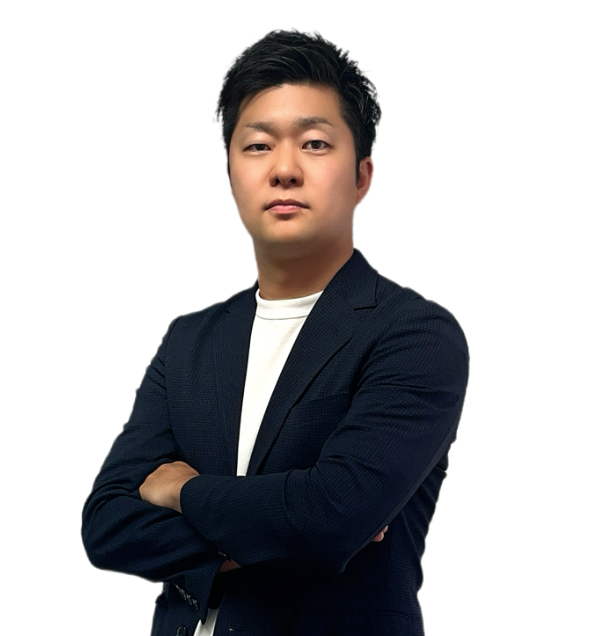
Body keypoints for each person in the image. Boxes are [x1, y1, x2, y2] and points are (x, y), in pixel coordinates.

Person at [82, 30, 469, 636]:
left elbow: (332, 516)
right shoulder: (190, 342)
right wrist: (282, 532)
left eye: (315, 144)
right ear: (231, 173)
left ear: (361, 176)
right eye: (258, 146)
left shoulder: (414, 336)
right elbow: (107, 524)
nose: (284, 169)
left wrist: (182, 491)